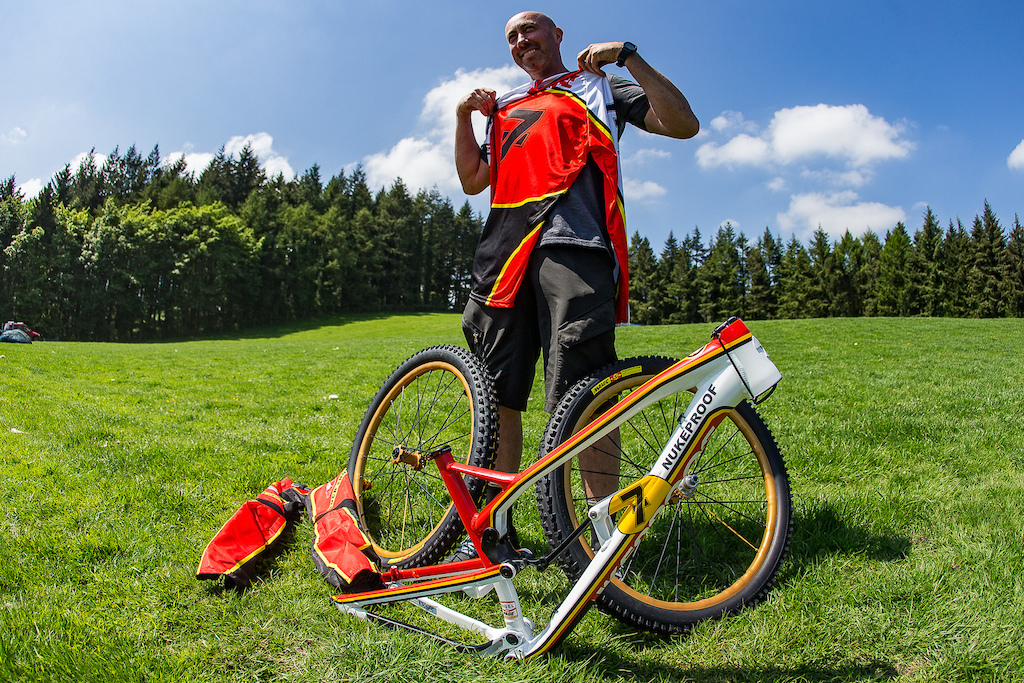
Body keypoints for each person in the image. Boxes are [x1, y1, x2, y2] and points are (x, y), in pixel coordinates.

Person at [453, 11, 698, 554]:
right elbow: (473, 181)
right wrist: (463, 115)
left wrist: (628, 55)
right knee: (497, 398)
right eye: (512, 36)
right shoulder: (507, 108)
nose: (521, 41)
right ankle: (491, 538)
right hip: (501, 258)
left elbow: (683, 123)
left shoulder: (600, 87)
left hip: (574, 245)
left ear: (557, 36)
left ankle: (600, 539)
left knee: (587, 392)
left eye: (531, 30)